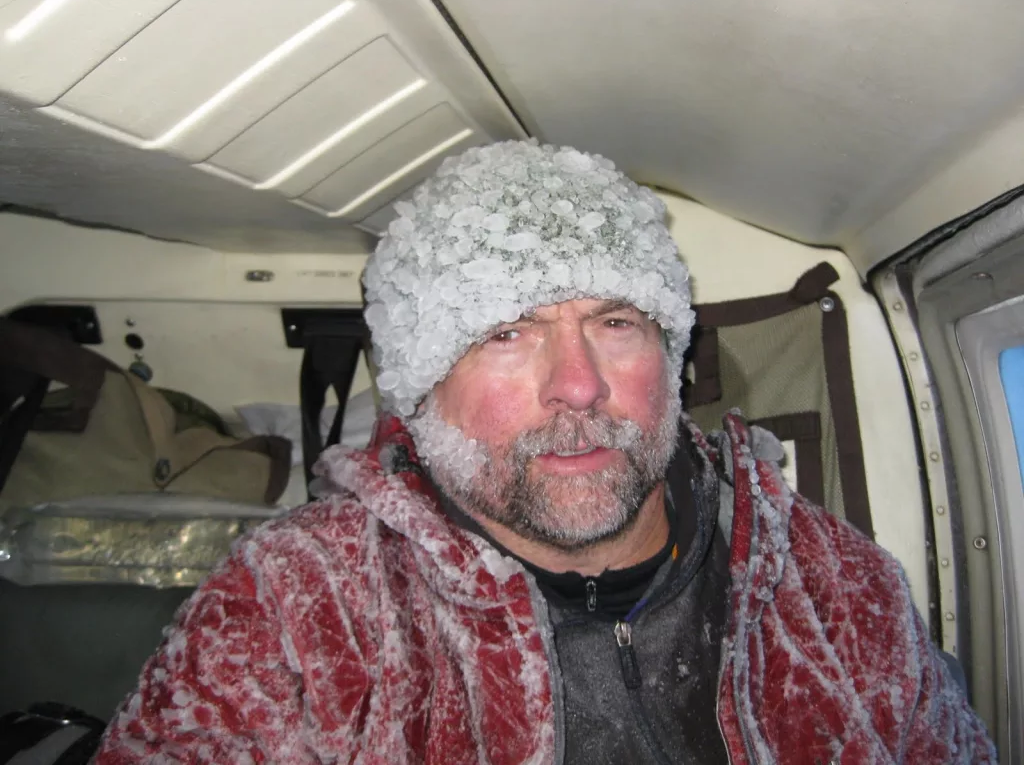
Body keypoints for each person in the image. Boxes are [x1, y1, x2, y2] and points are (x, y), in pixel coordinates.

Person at [93, 141, 997, 764]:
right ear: (423, 381)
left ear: (672, 358)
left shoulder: (836, 592)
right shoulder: (299, 608)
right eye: (508, 332)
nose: (577, 384)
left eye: (615, 322)